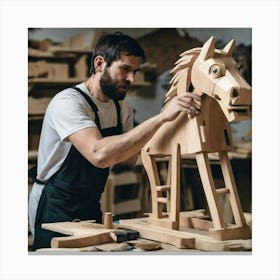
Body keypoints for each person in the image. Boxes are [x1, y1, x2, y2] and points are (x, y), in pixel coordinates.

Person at [28, 32, 201, 250]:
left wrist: (171, 124)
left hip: (90, 203)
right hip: (55, 204)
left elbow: (128, 159)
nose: (132, 79)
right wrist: (162, 117)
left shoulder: (122, 108)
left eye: (135, 71)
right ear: (100, 63)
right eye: (125, 69)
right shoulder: (68, 102)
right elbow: (99, 155)